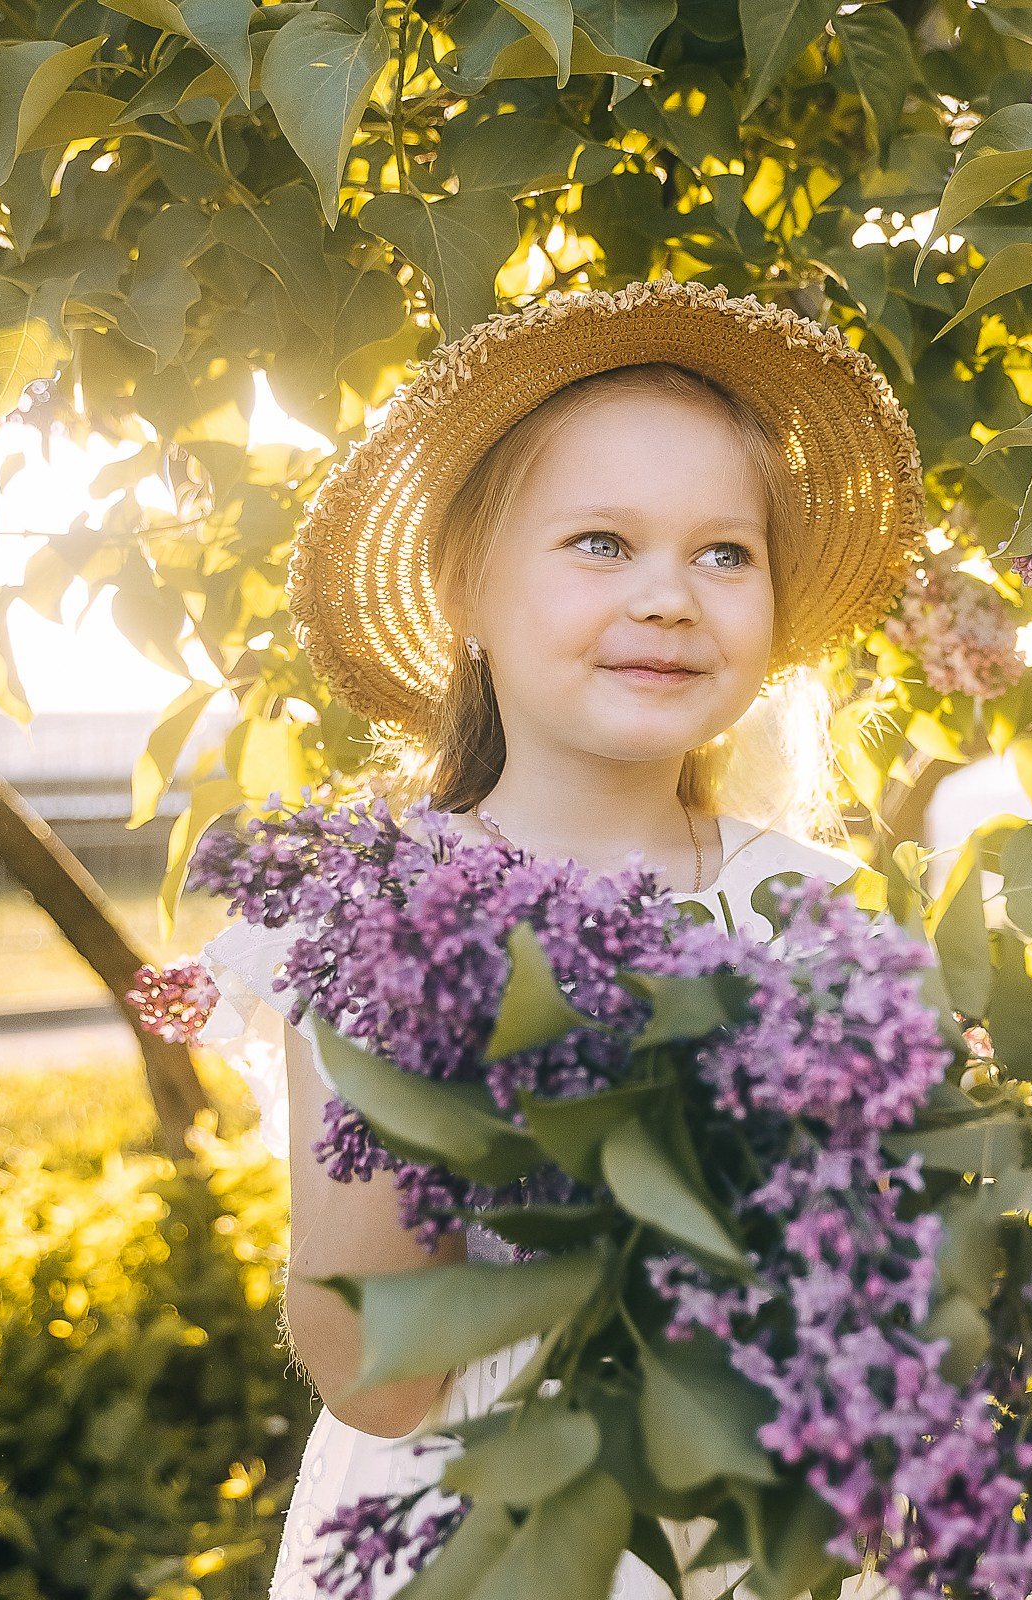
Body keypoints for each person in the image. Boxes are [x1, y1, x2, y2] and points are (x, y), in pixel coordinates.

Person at [191, 278, 926, 1600]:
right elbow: (379, 1375)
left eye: (725, 553)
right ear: (466, 587)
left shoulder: (819, 912)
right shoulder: (378, 907)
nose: (668, 597)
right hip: (479, 1525)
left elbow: (889, 1299)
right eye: (601, 541)